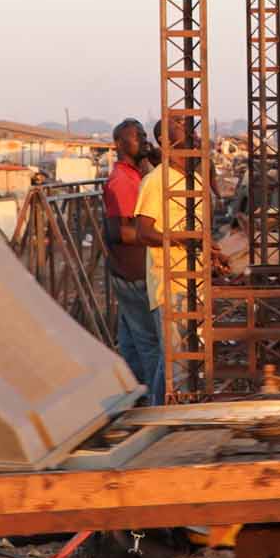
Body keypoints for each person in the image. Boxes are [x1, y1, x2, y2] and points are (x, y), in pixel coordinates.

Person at [134, 117, 196, 399]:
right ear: (166, 140)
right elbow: (144, 232)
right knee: (175, 360)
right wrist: (183, 240)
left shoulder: (192, 179)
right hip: (169, 282)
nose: (193, 134)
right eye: (184, 128)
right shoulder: (156, 181)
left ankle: (164, 413)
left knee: (180, 360)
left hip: (194, 280)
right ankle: (164, 416)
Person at [105, 119, 163, 403]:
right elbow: (122, 232)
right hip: (135, 273)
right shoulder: (124, 182)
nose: (143, 140)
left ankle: (132, 396)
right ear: (119, 144)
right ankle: (156, 403)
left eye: (143, 135)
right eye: (136, 137)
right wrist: (161, 236)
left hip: (128, 271)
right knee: (151, 344)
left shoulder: (136, 175)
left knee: (131, 342)